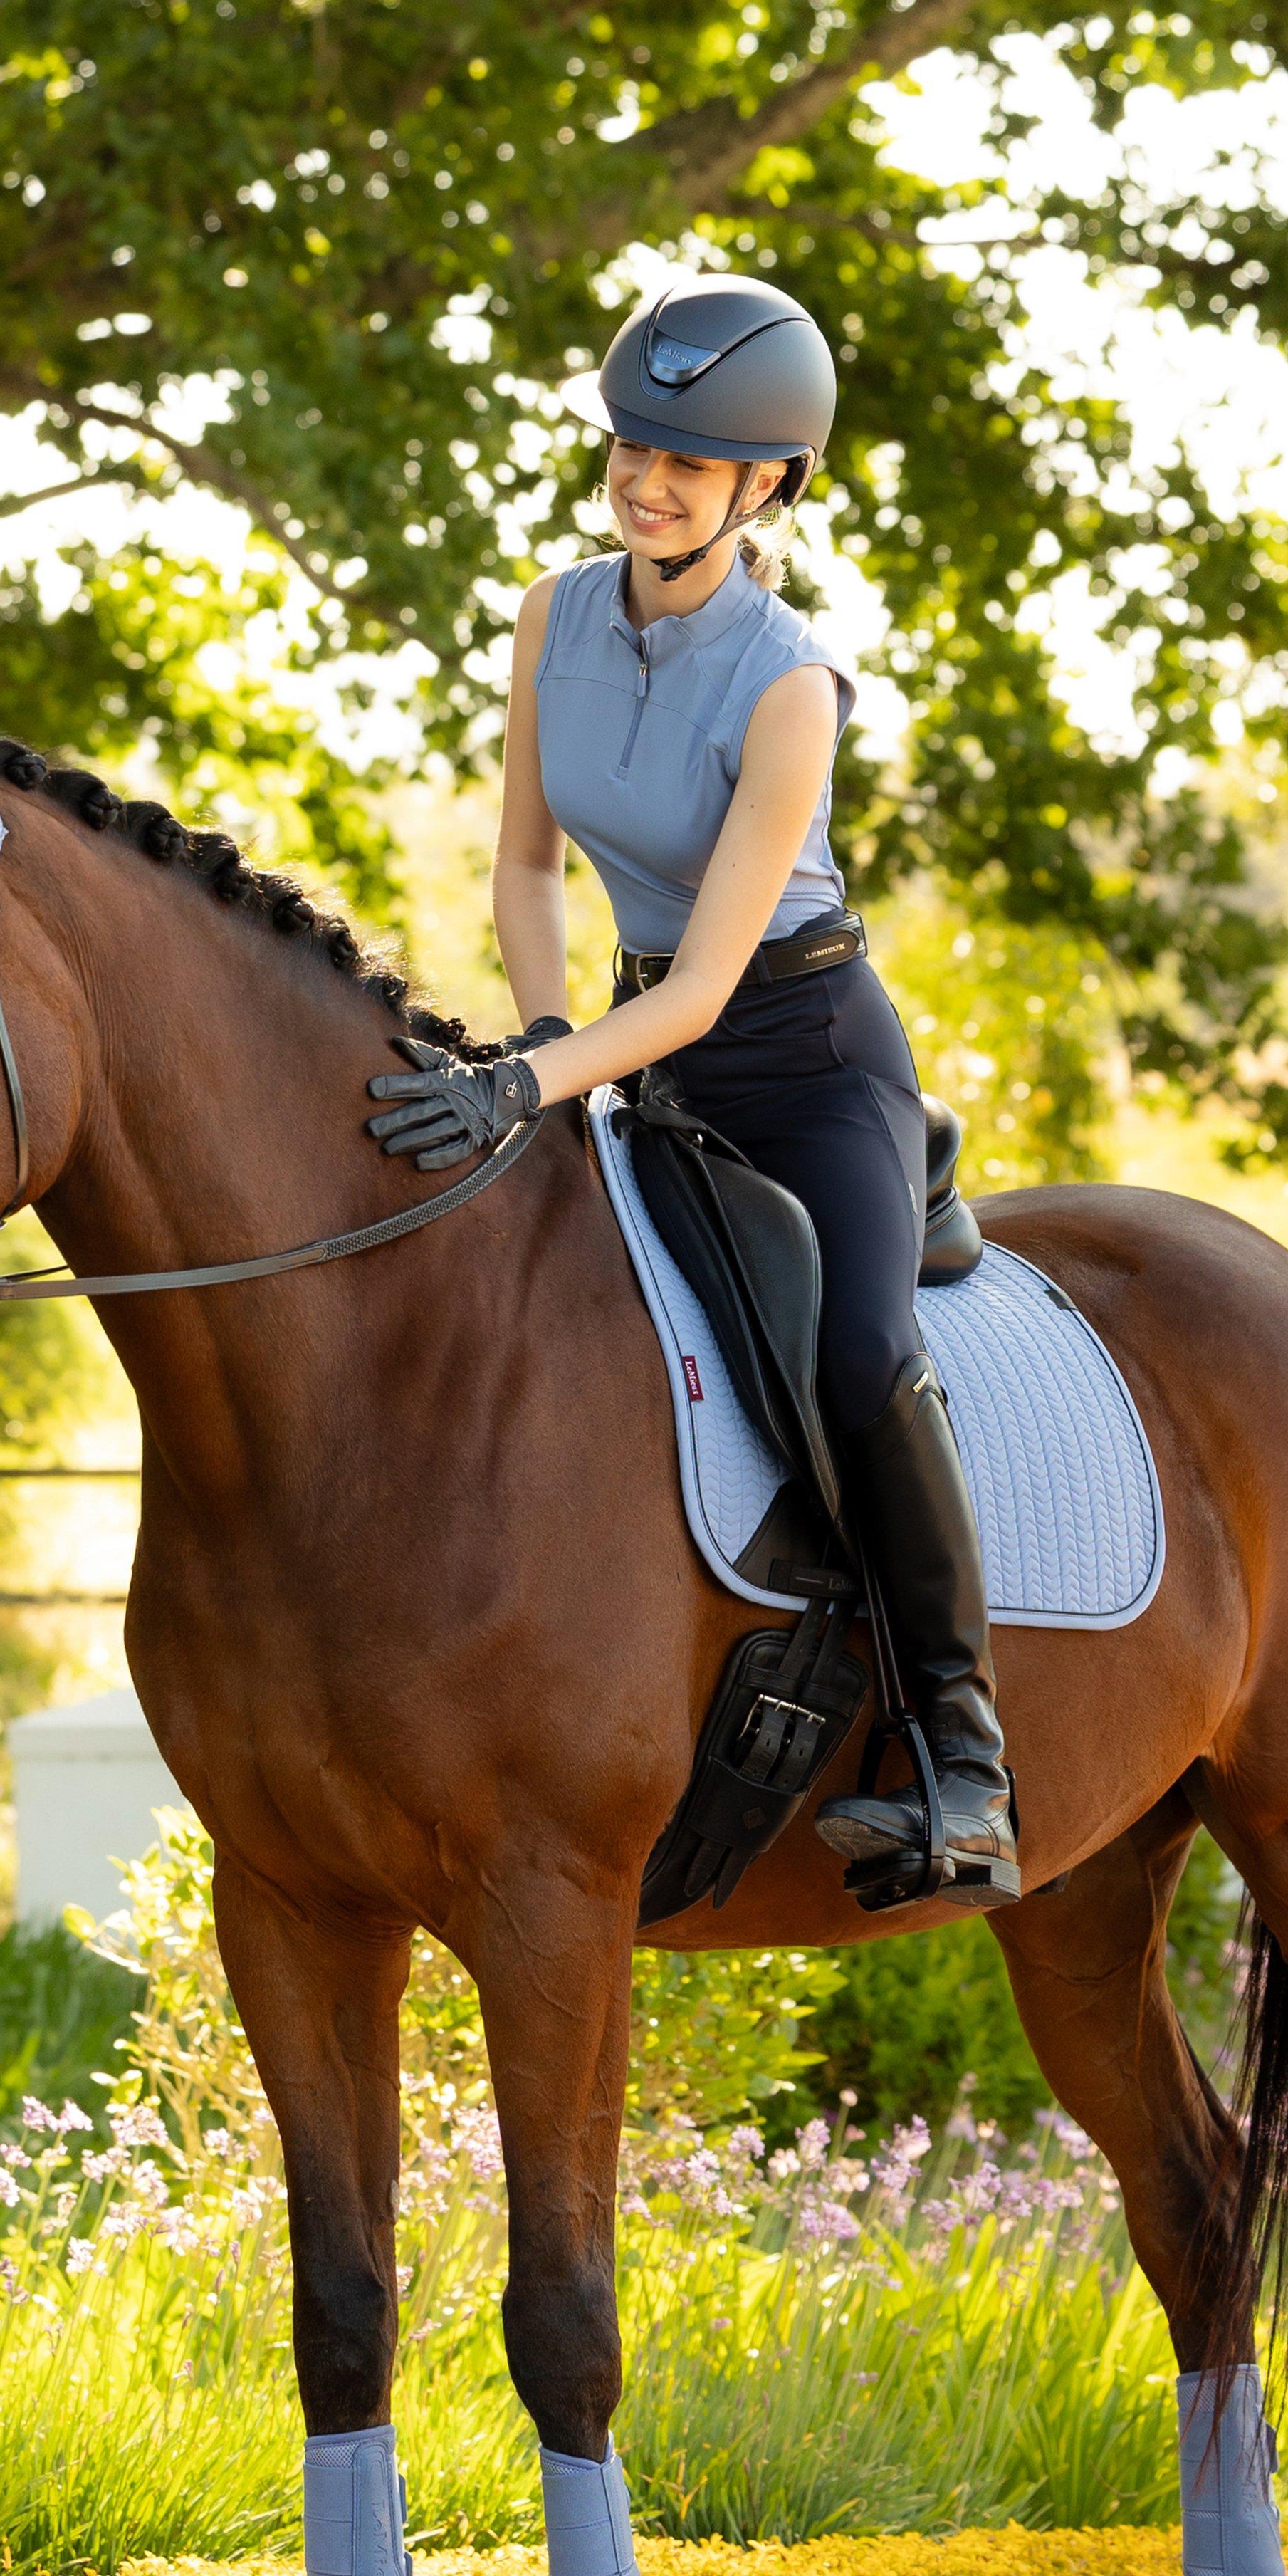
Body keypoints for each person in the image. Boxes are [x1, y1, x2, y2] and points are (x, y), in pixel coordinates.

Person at [362, 272, 1015, 1907]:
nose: (646, 482)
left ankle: (962, 1753)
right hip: (628, 1044)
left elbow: (714, 986)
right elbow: (524, 865)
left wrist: (532, 1083)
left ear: (765, 484)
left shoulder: (790, 685)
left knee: (857, 1353)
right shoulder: (552, 615)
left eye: (689, 462)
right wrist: (539, 1041)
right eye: (631, 448)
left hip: (803, 1055)